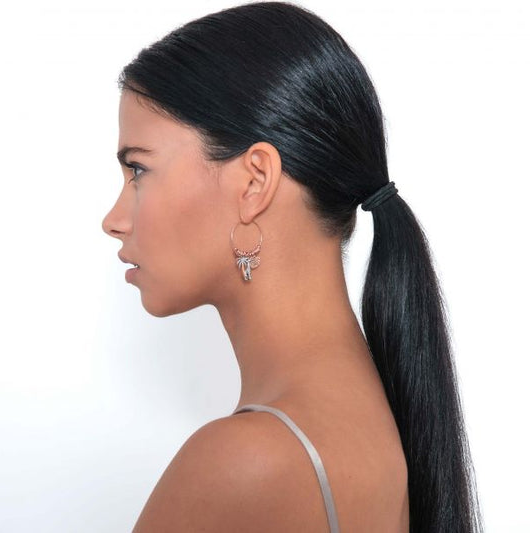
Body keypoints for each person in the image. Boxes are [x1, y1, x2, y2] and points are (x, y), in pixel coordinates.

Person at [102, 2, 484, 531]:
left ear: (254, 181)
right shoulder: (381, 423)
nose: (114, 220)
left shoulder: (246, 462)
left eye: (139, 170)